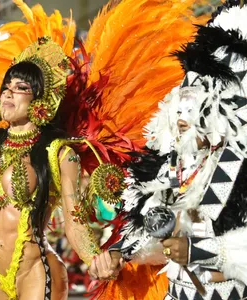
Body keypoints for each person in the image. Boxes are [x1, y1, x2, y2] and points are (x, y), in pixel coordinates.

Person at [0, 0, 205, 299]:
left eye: (21, 88)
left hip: (35, 271)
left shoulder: (58, 153)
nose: (8, 94)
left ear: (41, 101)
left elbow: (74, 222)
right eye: (7, 87)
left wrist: (95, 257)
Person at [91, 1, 247, 299]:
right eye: (193, 79)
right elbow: (154, 227)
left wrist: (201, 250)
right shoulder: (178, 159)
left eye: (211, 82)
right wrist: (119, 253)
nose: (190, 92)